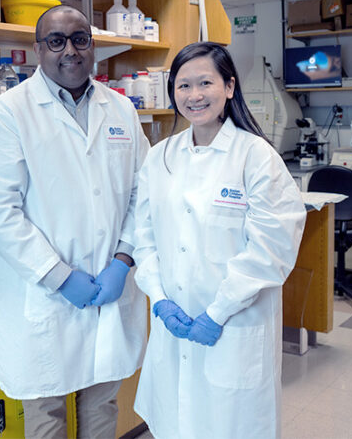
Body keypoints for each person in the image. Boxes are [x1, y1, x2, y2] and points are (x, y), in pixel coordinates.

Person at [0, 5, 150, 438]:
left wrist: (123, 260)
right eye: (56, 40)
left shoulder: (121, 110)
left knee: (103, 406)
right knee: (46, 418)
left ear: (93, 46)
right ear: (38, 50)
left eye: (80, 39)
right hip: (44, 297)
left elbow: (144, 193)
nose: (70, 50)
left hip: (110, 288)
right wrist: (59, 276)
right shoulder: (9, 113)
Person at [132, 42, 307, 439]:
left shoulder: (256, 157)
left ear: (229, 87)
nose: (193, 96)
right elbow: (143, 236)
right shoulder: (160, 157)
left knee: (231, 427)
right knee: (175, 423)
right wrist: (158, 298)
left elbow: (271, 250)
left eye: (205, 83)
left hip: (234, 325)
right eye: (183, 86)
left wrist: (217, 312)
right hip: (172, 325)